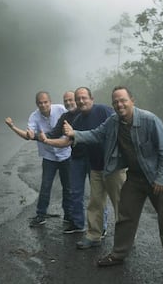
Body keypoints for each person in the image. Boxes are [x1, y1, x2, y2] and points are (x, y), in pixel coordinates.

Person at [63, 86, 163, 278]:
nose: (119, 104)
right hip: (135, 177)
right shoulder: (113, 121)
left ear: (132, 100)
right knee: (125, 215)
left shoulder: (150, 120)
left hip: (156, 177)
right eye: (115, 102)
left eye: (123, 100)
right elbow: (96, 134)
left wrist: (161, 178)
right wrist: (75, 135)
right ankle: (118, 254)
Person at [41, 87, 126, 248]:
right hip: (95, 167)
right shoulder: (78, 120)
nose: (81, 101)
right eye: (78, 98)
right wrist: (47, 141)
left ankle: (126, 237)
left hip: (113, 166)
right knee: (95, 203)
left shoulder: (103, 111)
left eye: (84, 98)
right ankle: (94, 235)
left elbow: (120, 126)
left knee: (120, 203)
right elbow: (67, 141)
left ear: (91, 99)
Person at [5, 91, 72, 228]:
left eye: (45, 102)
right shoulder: (34, 116)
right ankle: (41, 215)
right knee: (45, 186)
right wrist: (13, 127)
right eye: (40, 103)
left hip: (66, 153)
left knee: (68, 187)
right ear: (37, 104)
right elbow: (28, 135)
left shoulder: (61, 109)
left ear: (50, 102)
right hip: (48, 156)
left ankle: (69, 216)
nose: (43, 105)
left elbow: (73, 120)